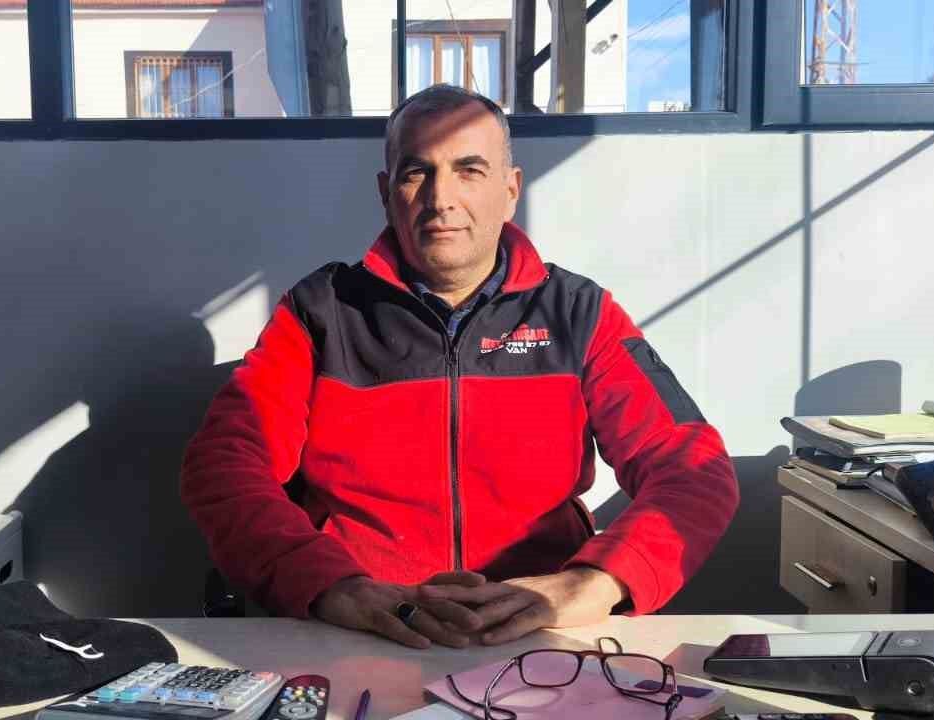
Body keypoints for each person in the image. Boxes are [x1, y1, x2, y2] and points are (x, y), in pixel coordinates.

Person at [180, 84, 739, 649]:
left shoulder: (579, 313)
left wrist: (594, 582)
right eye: (416, 172)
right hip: (363, 631)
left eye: (469, 170)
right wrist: (327, 584)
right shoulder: (320, 311)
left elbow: (695, 470)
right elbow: (223, 467)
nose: (440, 198)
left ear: (510, 190)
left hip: (541, 639)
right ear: (386, 193)